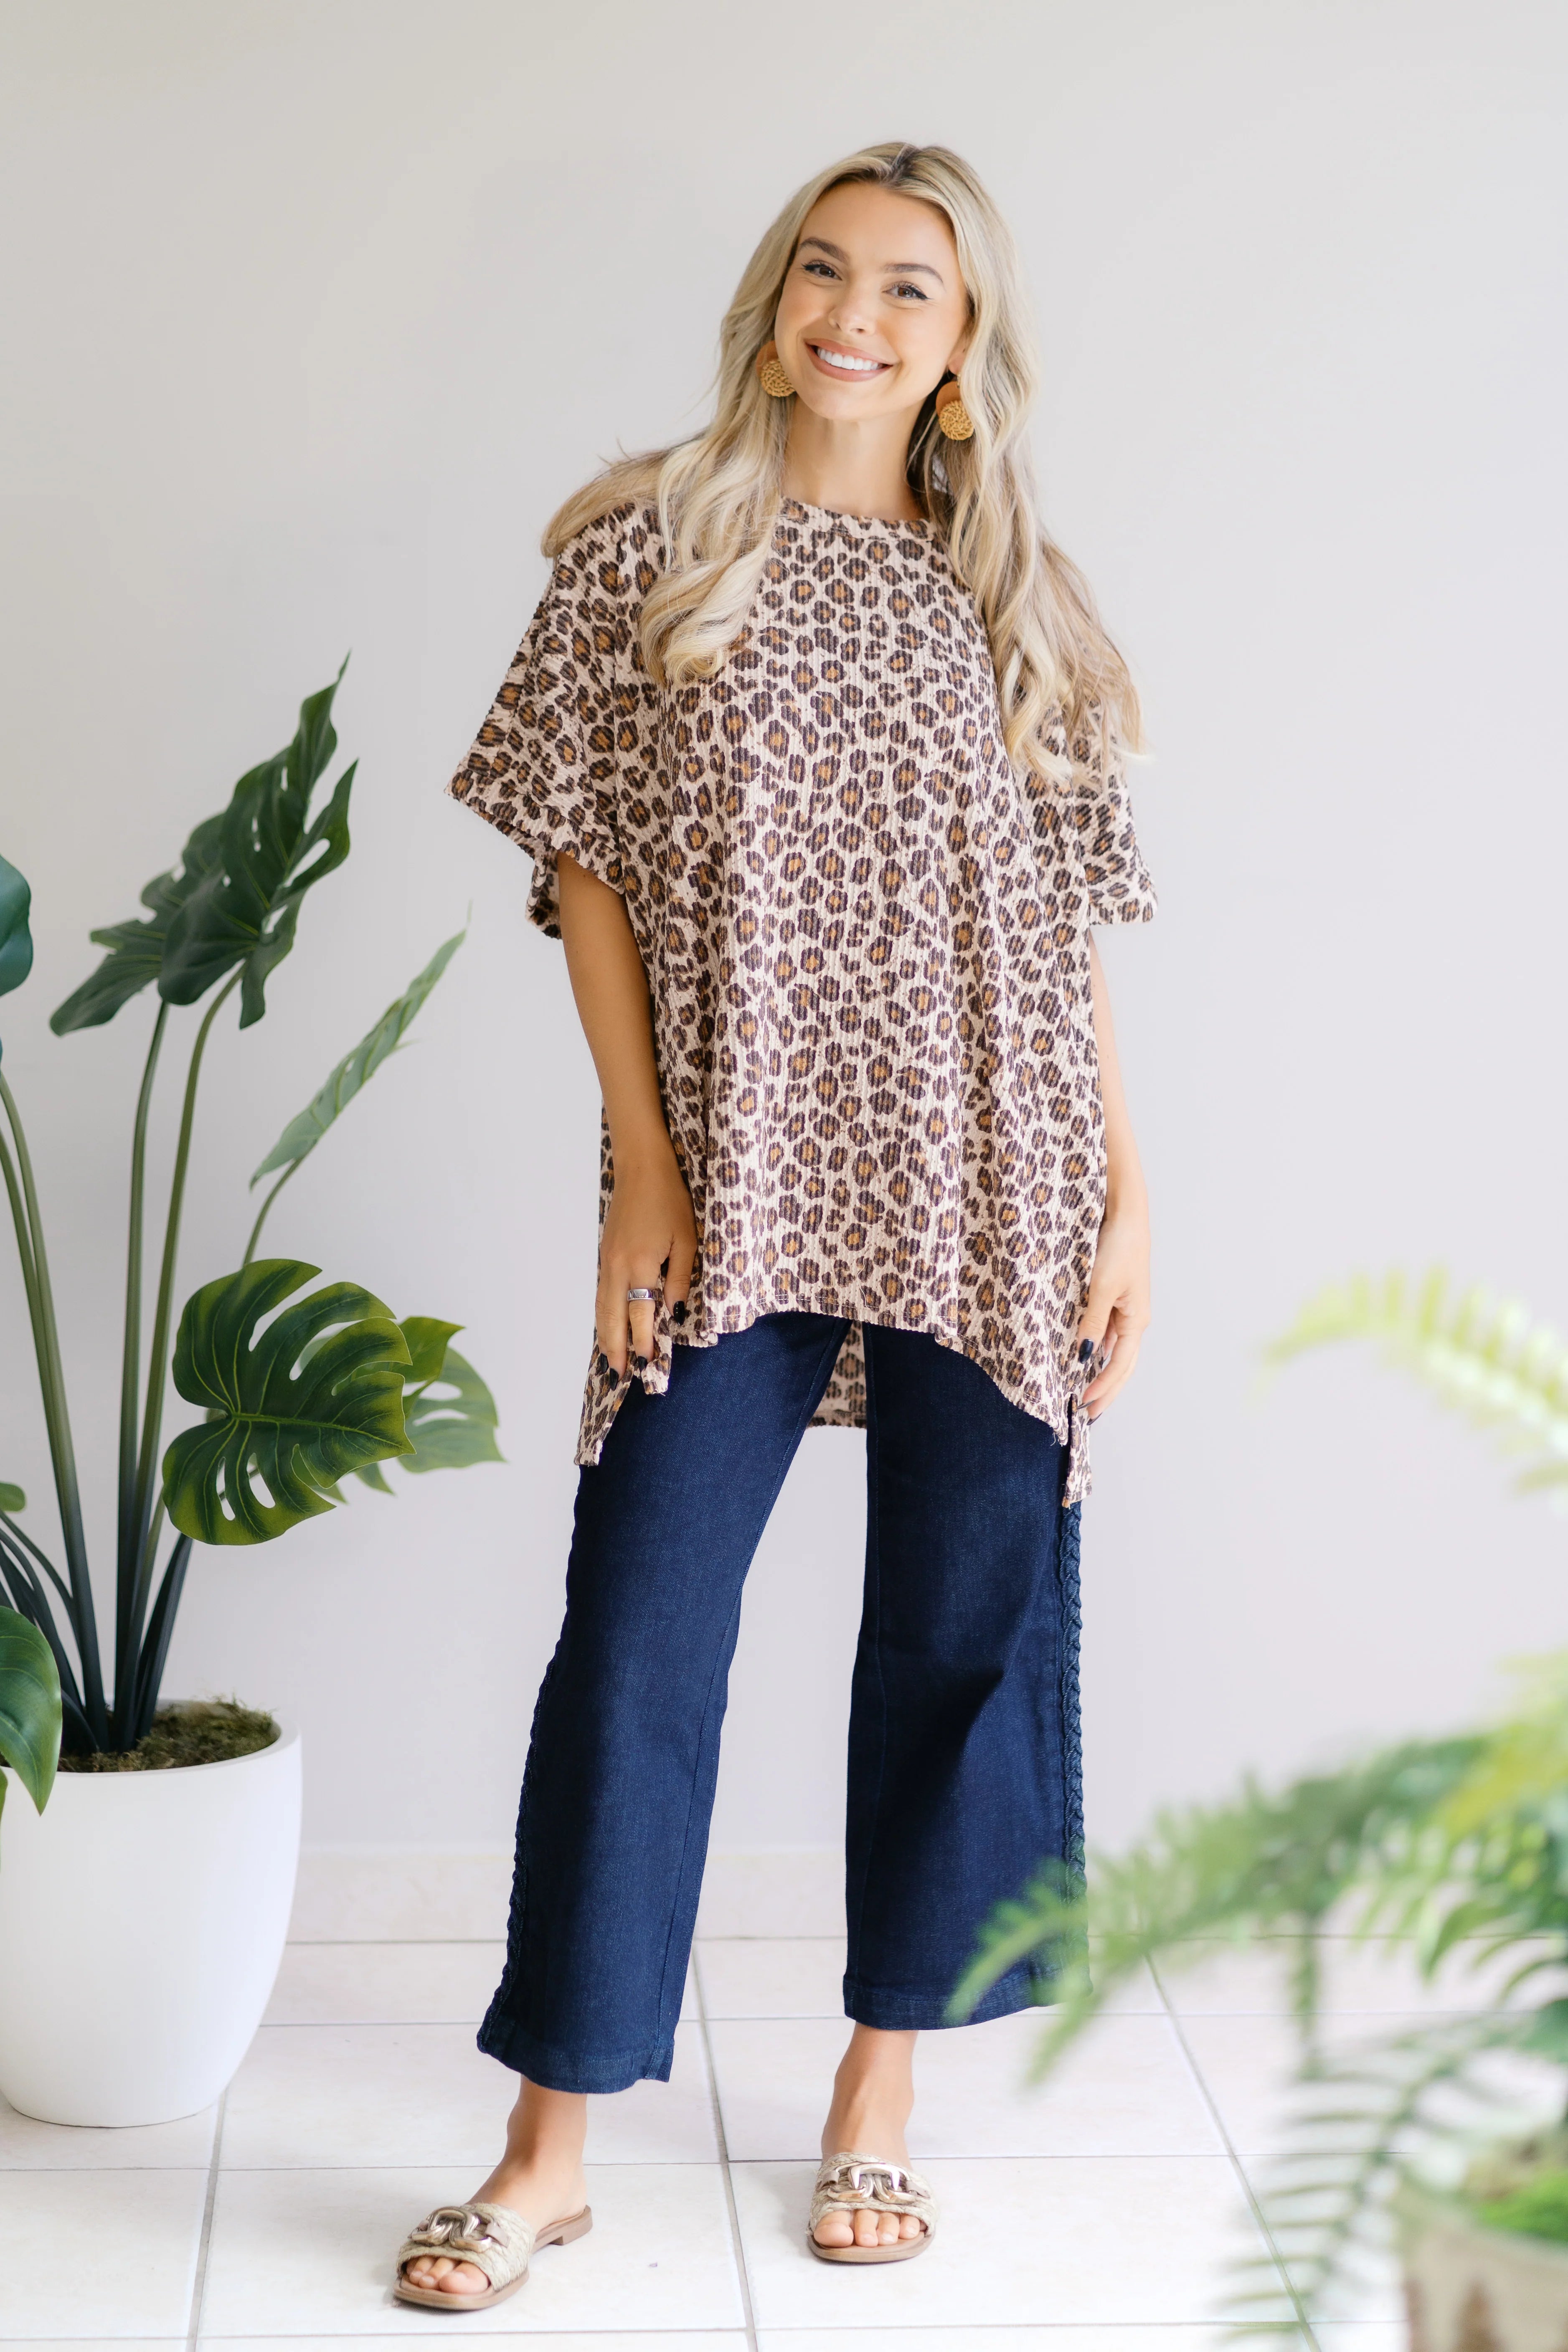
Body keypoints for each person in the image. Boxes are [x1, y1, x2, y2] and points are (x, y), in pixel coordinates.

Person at [396, 139, 1156, 2311]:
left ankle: (878, 2098)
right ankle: (548, 2146)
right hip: (734, 1171)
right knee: (638, 1622)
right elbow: (588, 868)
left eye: (910, 287)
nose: (855, 312)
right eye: (824, 271)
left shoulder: (1018, 596)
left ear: (964, 344)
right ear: (774, 297)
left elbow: (1075, 927)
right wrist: (641, 1156)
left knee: (958, 1622)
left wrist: (1133, 1197)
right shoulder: (650, 547)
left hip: (994, 1178)